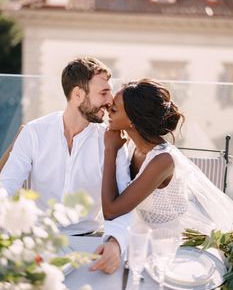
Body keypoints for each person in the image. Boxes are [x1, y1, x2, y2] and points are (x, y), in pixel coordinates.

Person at [0, 57, 131, 274]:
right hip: (37, 244)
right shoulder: (35, 132)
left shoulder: (113, 142)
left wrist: (116, 242)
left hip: (90, 247)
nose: (110, 101)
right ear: (78, 94)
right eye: (103, 93)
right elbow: (5, 186)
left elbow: (126, 200)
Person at [102, 78, 233, 233]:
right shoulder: (130, 146)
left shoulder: (163, 160)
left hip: (179, 237)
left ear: (133, 120)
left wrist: (110, 151)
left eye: (114, 110)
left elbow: (111, 212)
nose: (108, 111)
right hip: (144, 234)